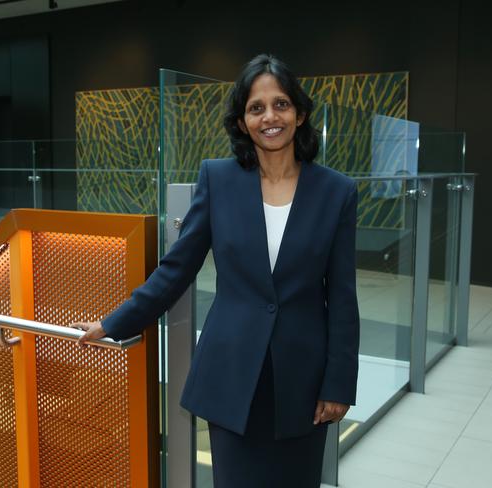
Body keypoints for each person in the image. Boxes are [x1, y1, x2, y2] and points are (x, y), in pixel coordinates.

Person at [71, 53, 360, 488]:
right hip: (232, 374)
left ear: (300, 113)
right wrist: (114, 322)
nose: (270, 117)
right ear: (242, 122)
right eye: (256, 108)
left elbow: (341, 295)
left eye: (280, 104)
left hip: (303, 380)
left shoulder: (336, 191)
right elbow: (177, 268)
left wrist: (338, 383)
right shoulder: (218, 179)